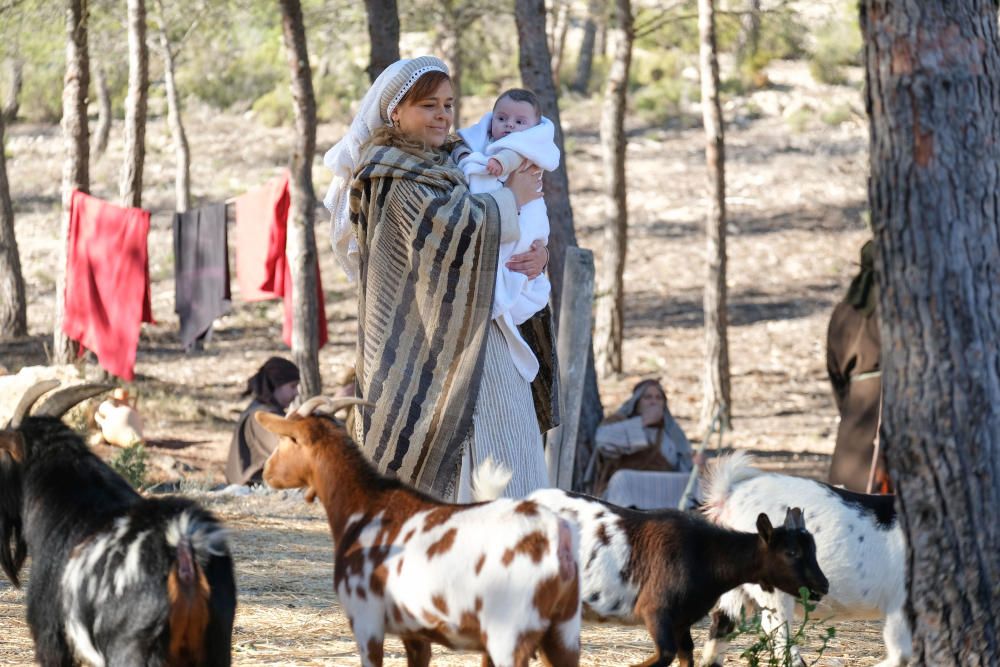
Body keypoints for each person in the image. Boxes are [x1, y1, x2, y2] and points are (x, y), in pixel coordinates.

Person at [322, 56, 557, 501]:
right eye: (428, 105)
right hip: (429, 354)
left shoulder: (456, 159)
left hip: (485, 334)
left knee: (513, 460)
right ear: (396, 110)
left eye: (448, 105)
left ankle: (514, 561)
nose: (443, 115)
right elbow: (446, 234)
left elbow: (503, 228)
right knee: (459, 483)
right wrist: (512, 199)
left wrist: (537, 253)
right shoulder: (389, 175)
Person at [451, 88, 560, 384]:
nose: (509, 126)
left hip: (523, 228)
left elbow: (511, 161)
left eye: (518, 122)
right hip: (479, 269)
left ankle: (511, 283)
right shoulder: (472, 146)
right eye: (502, 118)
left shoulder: (520, 148)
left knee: (520, 259)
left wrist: (542, 256)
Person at [827, 240, 889, 493]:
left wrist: (849, 409)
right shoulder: (905, 308)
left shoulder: (843, 312)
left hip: (857, 414)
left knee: (851, 501)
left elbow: (836, 373)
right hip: (894, 404)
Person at [589, 379, 698, 509]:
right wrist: (643, 422)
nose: (654, 402)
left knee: (693, 483)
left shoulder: (672, 432)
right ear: (637, 402)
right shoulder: (618, 422)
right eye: (648, 397)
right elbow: (603, 442)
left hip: (663, 486)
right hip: (631, 484)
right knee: (622, 479)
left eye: (659, 398)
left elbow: (684, 464)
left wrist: (696, 464)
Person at [225, 357, 300, 486]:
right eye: (292, 386)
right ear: (275, 385)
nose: (296, 393)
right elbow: (293, 449)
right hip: (249, 489)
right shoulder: (263, 415)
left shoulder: (261, 409)